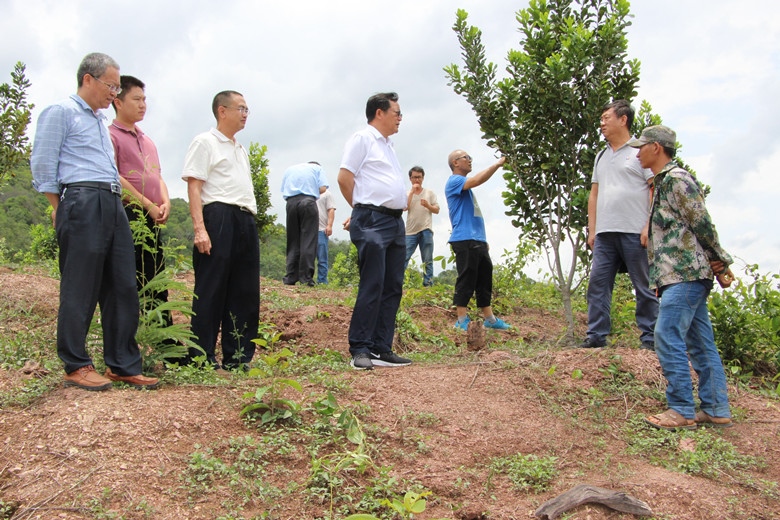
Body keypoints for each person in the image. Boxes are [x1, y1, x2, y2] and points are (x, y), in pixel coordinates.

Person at [30, 52, 159, 390]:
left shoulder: (101, 122)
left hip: (112, 200)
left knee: (122, 285)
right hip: (81, 199)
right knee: (80, 285)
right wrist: (59, 206)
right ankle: (76, 363)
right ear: (88, 79)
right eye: (111, 86)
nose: (113, 94)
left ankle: (122, 363)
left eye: (117, 88)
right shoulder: (61, 112)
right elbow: (43, 163)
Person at [629, 125, 734, 431]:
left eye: (642, 147)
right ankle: (716, 408)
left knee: (666, 334)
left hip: (686, 273)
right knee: (701, 343)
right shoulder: (663, 183)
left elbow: (702, 222)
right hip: (678, 274)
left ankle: (681, 409)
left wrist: (718, 258)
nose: (637, 153)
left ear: (657, 148)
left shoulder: (676, 179)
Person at [182, 90, 259, 371]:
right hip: (218, 216)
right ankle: (201, 357)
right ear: (221, 111)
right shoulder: (205, 142)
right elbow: (194, 185)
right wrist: (200, 228)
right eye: (240, 108)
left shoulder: (240, 148)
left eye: (247, 109)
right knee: (211, 288)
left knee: (244, 291)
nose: (245, 114)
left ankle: (238, 358)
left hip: (245, 218)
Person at [337, 92, 412, 370]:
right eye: (397, 113)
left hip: (394, 222)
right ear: (379, 113)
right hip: (372, 219)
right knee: (373, 283)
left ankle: (381, 348)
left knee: (393, 286)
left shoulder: (388, 146)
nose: (400, 118)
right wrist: (360, 209)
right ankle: (360, 348)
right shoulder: (363, 139)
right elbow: (345, 178)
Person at [581, 100, 658, 350]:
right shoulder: (601, 156)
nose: (601, 123)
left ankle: (651, 337)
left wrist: (648, 225)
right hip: (605, 233)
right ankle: (596, 335)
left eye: (606, 118)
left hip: (634, 231)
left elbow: (652, 188)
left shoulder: (639, 152)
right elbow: (594, 194)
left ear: (623, 120)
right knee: (598, 284)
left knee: (643, 285)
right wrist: (592, 230)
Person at [109, 75, 174, 338]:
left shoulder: (148, 141)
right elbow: (115, 176)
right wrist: (147, 204)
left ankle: (163, 341)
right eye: (136, 99)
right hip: (128, 214)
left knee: (156, 276)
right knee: (131, 277)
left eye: (144, 99)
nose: (142, 104)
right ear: (117, 101)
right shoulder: (110, 136)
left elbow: (157, 175)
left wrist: (165, 202)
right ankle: (129, 340)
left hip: (152, 215)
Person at [445, 150, 511, 331]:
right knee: (467, 277)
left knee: (484, 278)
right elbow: (477, 180)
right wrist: (497, 165)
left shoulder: (465, 188)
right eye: (466, 157)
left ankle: (489, 318)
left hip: (477, 239)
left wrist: (483, 239)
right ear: (455, 163)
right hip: (464, 238)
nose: (470, 160)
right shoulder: (454, 181)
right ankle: (461, 320)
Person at [281, 161, 328, 286]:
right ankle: (305, 278)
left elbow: (283, 189)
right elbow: (323, 188)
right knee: (308, 240)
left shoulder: (290, 168)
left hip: (291, 203)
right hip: (308, 202)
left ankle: (290, 276)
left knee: (293, 240)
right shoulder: (317, 168)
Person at [403, 166, 439, 287]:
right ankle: (397, 283)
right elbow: (404, 207)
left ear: (423, 178)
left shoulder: (429, 193)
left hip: (426, 229)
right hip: (410, 232)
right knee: (403, 257)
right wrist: (412, 192)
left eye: (419, 177)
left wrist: (428, 205)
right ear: (410, 179)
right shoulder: (407, 193)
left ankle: (428, 285)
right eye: (414, 177)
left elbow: (437, 210)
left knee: (427, 259)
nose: (417, 180)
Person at [316, 188, 336, 284]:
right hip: (308, 230)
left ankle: (322, 281)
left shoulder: (327, 194)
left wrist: (329, 225)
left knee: (322, 258)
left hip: (322, 230)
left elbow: (331, 209)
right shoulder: (309, 192)